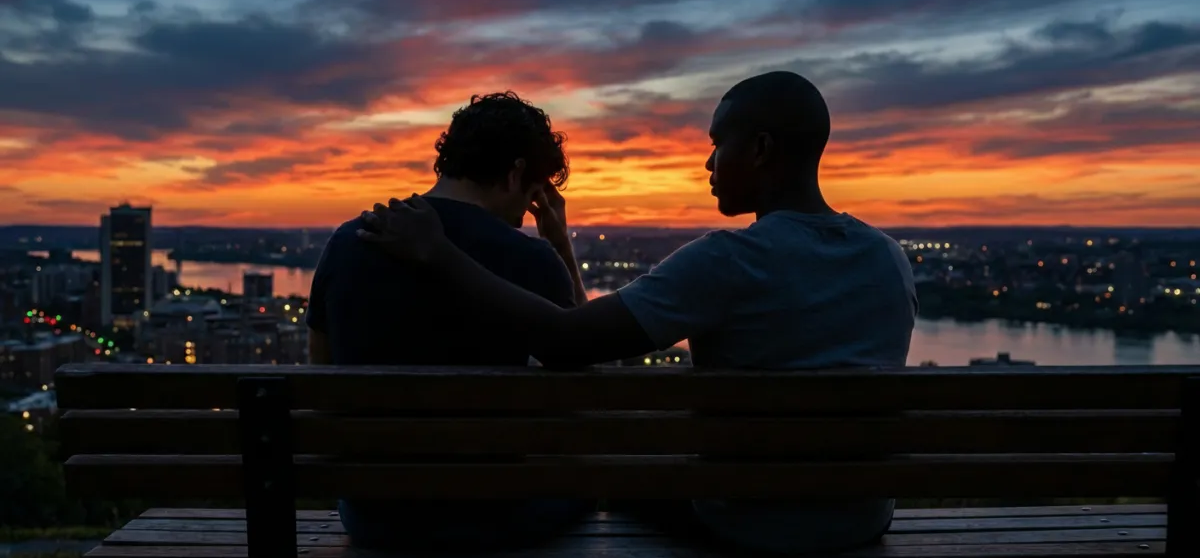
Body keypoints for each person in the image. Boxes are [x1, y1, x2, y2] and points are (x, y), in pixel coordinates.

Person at [357, 71, 918, 554]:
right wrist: (562, 247)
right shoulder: (888, 258)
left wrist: (439, 254)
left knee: (611, 479)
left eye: (718, 144)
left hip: (750, 525)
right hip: (861, 520)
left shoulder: (729, 259)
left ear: (761, 150)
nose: (707, 162)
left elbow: (564, 341)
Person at [305, 91, 593, 552]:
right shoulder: (532, 260)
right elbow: (582, 380)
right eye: (531, 196)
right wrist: (560, 247)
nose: (523, 218)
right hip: (497, 516)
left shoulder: (349, 241)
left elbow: (321, 382)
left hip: (375, 516)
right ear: (517, 173)